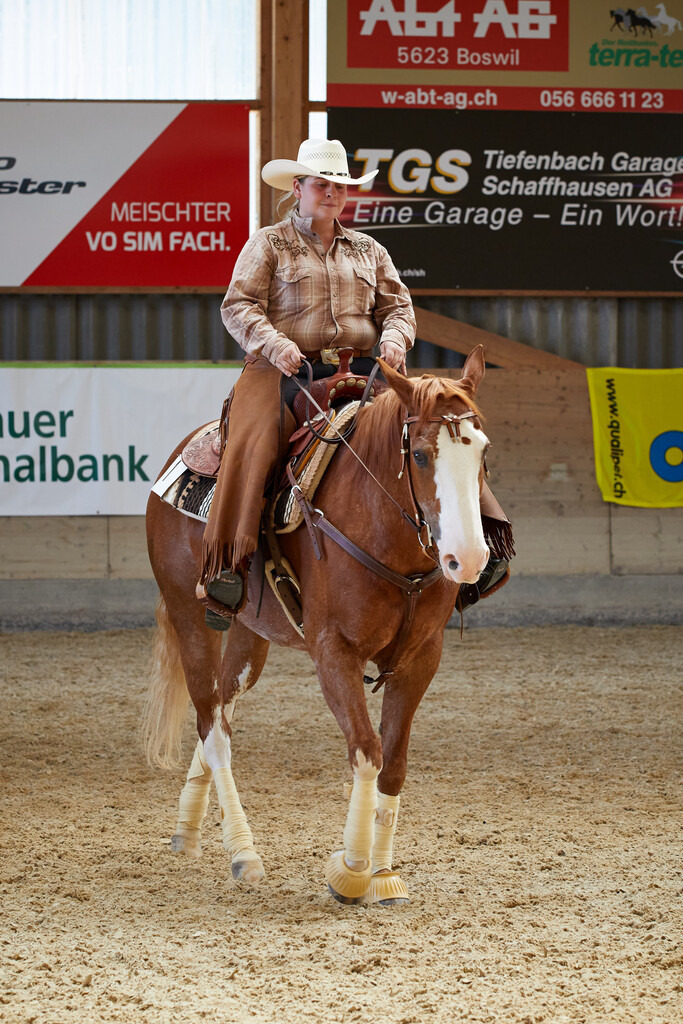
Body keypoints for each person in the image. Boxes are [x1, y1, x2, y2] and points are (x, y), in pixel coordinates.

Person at [197, 139, 511, 627]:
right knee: (255, 443)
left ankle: (487, 544)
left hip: (362, 368)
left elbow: (398, 308)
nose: (331, 193)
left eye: (339, 186)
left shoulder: (369, 249)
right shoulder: (268, 243)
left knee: (441, 428)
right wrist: (275, 344)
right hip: (281, 369)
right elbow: (238, 306)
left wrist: (394, 341)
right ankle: (228, 566)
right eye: (321, 184)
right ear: (298, 188)